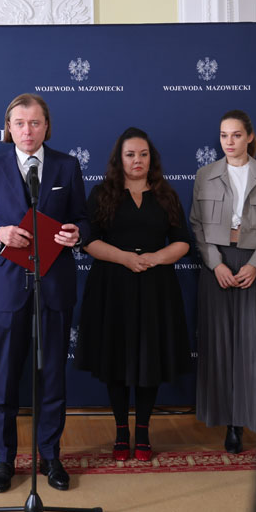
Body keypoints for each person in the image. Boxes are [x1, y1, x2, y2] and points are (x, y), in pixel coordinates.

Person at [0, 93, 88, 492]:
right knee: (4, 378)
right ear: (9, 127)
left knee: (52, 375)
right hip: (9, 287)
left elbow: (83, 218)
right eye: (19, 123)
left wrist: (77, 233)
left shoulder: (67, 166)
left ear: (46, 126)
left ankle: (50, 456)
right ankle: (4, 460)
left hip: (55, 284)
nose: (27, 130)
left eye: (35, 123)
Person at [76, 127, 192, 462]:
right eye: (130, 155)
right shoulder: (102, 194)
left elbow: (182, 241)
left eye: (143, 154)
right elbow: (88, 241)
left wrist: (154, 258)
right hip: (113, 286)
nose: (137, 160)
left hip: (156, 287)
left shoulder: (167, 194)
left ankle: (142, 432)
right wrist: (126, 258)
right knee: (116, 359)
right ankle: (120, 433)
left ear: (151, 158)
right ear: (119, 159)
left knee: (149, 359)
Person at [190, 110, 256, 454]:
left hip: (254, 266)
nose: (229, 142)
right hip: (217, 268)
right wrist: (215, 263)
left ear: (249, 137)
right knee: (222, 349)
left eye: (235, 135)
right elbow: (197, 225)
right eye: (223, 135)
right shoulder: (205, 175)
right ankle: (233, 425)